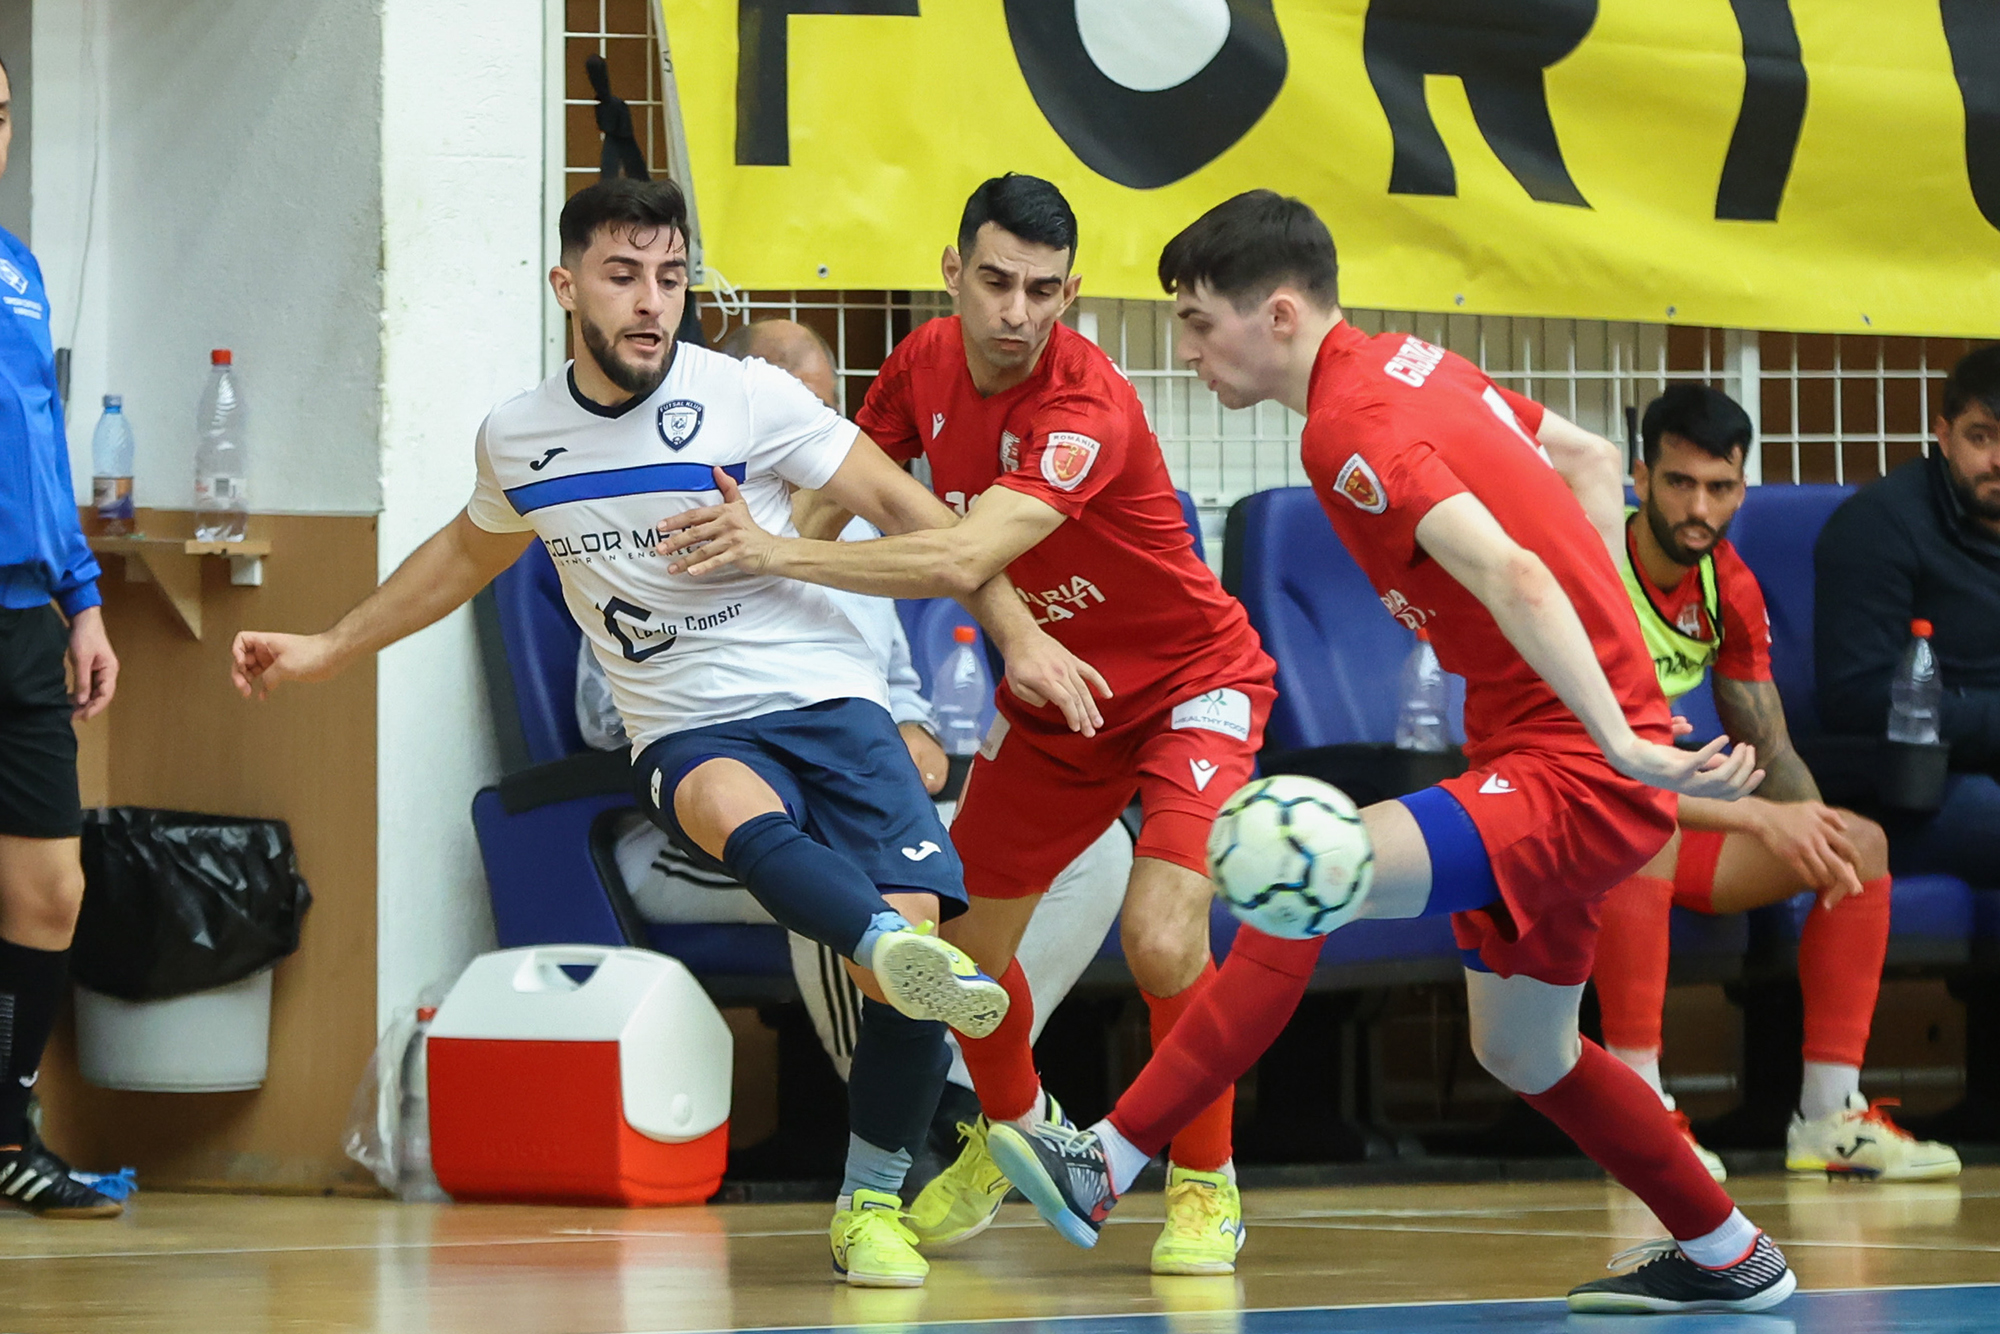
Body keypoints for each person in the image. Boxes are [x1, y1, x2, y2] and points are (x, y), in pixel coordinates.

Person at [229, 179, 1107, 1289]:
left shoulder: (746, 397)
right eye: (622, 275)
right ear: (566, 285)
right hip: (682, 717)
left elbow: (909, 511)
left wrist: (1018, 637)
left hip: (828, 689)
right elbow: (458, 557)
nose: (652, 302)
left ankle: (870, 1198)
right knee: (728, 809)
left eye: (670, 276)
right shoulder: (520, 438)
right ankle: (889, 952)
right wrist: (325, 646)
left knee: (920, 921)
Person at [980, 190, 1796, 1316]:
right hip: (1528, 739)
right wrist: (1615, 662)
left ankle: (1105, 1157)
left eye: (1193, 322)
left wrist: (1624, 730)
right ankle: (1729, 1252)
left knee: (1300, 868)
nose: (1183, 350)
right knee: (1526, 1051)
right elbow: (1589, 457)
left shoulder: (1346, 425)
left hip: (1570, 763)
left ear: (1273, 314)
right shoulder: (1410, 361)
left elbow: (1511, 570)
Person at [659, 175, 1277, 1276]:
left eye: (1043, 290)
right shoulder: (918, 364)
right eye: (994, 281)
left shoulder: (1084, 407)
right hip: (1049, 703)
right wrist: (732, 571)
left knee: (1161, 937)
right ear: (952, 273)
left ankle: (1202, 1179)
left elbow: (951, 554)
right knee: (957, 948)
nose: (1016, 311)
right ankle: (1025, 1134)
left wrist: (772, 554)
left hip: (1188, 685)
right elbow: (833, 498)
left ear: (1070, 293)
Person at [577, 319, 1129, 1161]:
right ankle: (905, 1134)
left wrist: (911, 729)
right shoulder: (666, 519)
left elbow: (898, 682)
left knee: (1097, 855)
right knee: (833, 870)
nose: (823, 440)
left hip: (848, 762)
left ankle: (951, 1092)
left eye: (831, 415)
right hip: (709, 798)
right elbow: (606, 715)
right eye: (799, 414)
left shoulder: (864, 532)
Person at [1590, 384, 1958, 1182]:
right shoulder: (1593, 570)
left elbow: (1773, 747)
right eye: (1680, 483)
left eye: (1719, 488)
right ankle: (1637, 1113)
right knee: (1638, 835)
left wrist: (1812, 830)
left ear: (1741, 490)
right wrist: (1757, 823)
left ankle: (1828, 1117)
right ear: (1641, 477)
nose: (1699, 507)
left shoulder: (1729, 585)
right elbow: (1589, 773)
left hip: (1654, 809)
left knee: (1857, 845)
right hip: (1563, 818)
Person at [0, 52, 124, 1220]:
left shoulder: (20, 270)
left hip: (23, 617)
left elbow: (40, 444)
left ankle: (5, 1131)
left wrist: (83, 596)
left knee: (48, 889)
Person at [1814, 346, 2000, 886]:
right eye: (1981, 436)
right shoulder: (1877, 526)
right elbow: (1854, 699)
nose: (1997, 459)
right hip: (1919, 787)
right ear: (1943, 436)